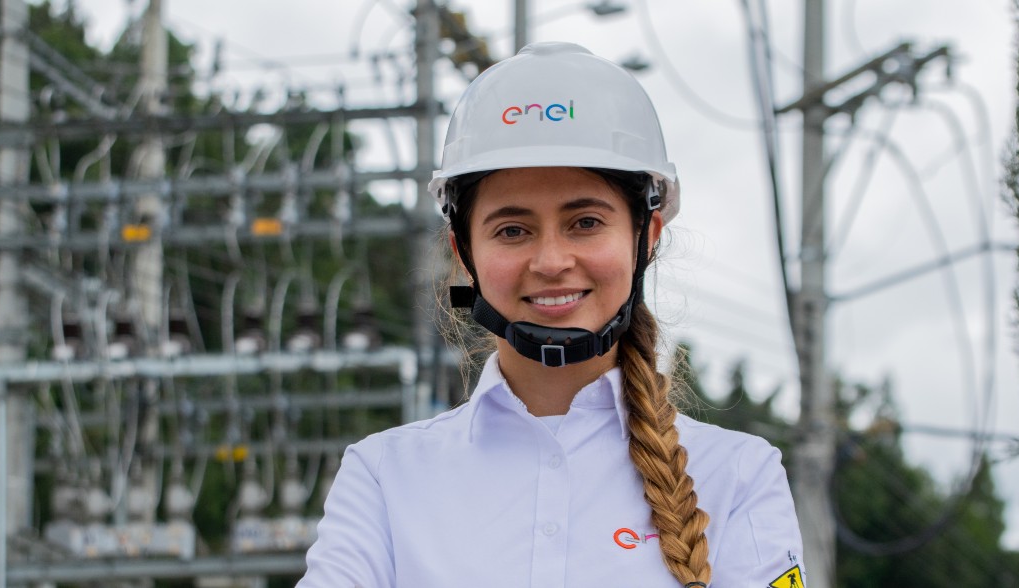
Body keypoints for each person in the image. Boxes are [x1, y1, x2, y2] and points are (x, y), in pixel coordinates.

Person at [297, 42, 804, 588]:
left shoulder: (739, 475)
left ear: (646, 237)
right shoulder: (383, 477)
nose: (551, 262)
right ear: (464, 254)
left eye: (585, 222)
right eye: (512, 231)